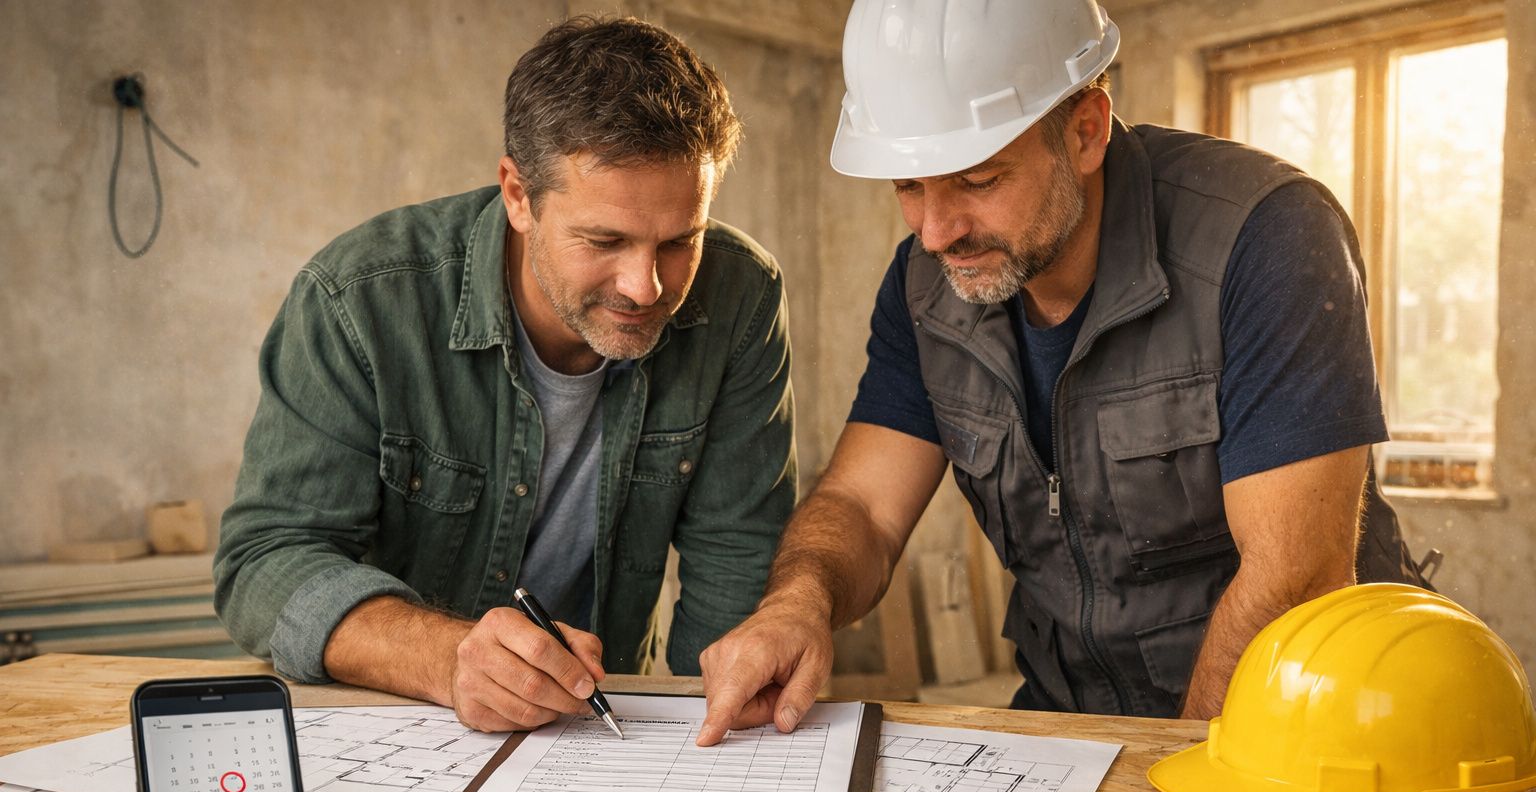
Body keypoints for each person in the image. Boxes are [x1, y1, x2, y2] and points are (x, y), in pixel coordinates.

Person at [696, 0, 1426, 745]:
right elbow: (863, 505)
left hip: (1305, 725)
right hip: (1072, 719)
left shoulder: (1266, 236)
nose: (936, 232)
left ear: (1085, 131)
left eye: (978, 180)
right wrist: (800, 602)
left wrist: (1171, 777)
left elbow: (1294, 576)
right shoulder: (924, 286)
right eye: (909, 187)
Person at [215, 16, 796, 736]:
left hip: (605, 730)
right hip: (397, 728)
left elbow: (737, 555)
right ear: (517, 195)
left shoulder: (741, 295)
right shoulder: (358, 299)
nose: (645, 287)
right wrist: (447, 656)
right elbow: (264, 563)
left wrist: (703, 738)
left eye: (681, 240)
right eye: (605, 240)